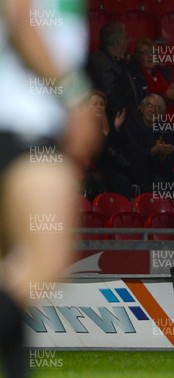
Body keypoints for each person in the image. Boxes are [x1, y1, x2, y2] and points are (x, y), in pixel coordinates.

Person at [0, 1, 101, 376]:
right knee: (47, 261)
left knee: (11, 270)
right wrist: (75, 97)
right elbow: (22, 21)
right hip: (23, 129)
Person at [119, 94, 174, 194]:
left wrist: (163, 157)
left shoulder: (165, 129)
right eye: (149, 105)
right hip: (137, 173)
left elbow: (170, 162)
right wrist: (153, 151)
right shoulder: (131, 126)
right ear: (142, 109)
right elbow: (133, 156)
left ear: (161, 114)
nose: (152, 110)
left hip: (158, 172)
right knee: (158, 183)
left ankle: (173, 207)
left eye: (157, 108)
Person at [87, 21, 128, 100]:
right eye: (126, 38)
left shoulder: (108, 59)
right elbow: (111, 98)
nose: (127, 41)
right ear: (118, 41)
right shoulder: (105, 64)